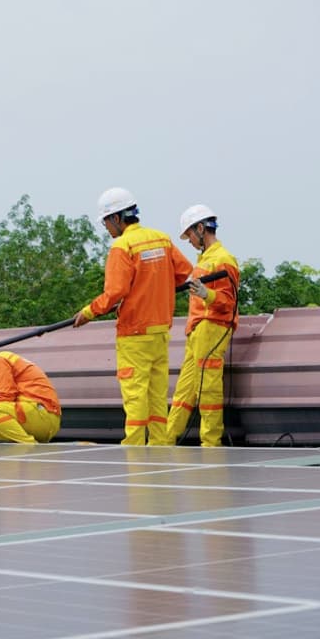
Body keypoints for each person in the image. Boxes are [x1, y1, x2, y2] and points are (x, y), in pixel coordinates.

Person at [72, 187, 193, 446]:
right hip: (160, 332)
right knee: (157, 396)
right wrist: (154, 285)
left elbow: (115, 291)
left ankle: (135, 451)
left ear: (116, 218)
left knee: (135, 395)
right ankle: (159, 448)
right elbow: (183, 274)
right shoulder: (161, 239)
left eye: (106, 221)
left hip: (134, 334)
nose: (106, 228)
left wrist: (88, 312)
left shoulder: (122, 246)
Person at [156, 205, 240, 447]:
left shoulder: (223, 259)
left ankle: (211, 444)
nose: (190, 241)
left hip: (213, 327)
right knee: (185, 390)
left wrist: (207, 295)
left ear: (201, 228)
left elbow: (229, 303)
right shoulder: (205, 260)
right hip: (198, 330)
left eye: (190, 235)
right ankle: (166, 439)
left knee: (208, 388)